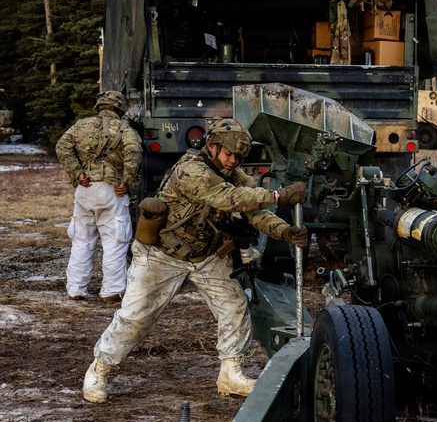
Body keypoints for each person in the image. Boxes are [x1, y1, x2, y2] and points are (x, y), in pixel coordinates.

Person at [82, 119, 309, 403]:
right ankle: (99, 369)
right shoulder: (191, 170)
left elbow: (255, 213)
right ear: (212, 147)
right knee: (135, 317)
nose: (233, 161)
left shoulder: (234, 176)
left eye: (239, 157)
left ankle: (231, 373)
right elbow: (230, 199)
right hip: (162, 255)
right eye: (229, 154)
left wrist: (285, 231)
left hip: (207, 256)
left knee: (234, 306)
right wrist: (279, 195)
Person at [56, 90, 142, 302]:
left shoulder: (81, 125)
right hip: (112, 191)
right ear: (120, 108)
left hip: (85, 189)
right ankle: (112, 290)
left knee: (82, 240)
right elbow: (134, 152)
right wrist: (126, 181)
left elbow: (62, 146)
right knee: (115, 241)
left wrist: (77, 173)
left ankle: (76, 289)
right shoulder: (125, 129)